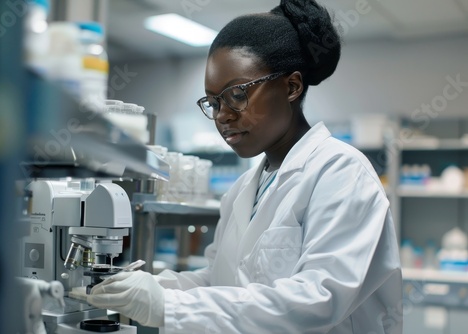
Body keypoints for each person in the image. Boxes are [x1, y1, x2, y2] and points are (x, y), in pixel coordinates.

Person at [87, 0, 403, 333]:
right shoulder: (243, 190)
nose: (222, 115)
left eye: (236, 94)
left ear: (292, 86)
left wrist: (168, 306)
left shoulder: (341, 172)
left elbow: (318, 301)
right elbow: (219, 280)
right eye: (213, 102)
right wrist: (154, 287)